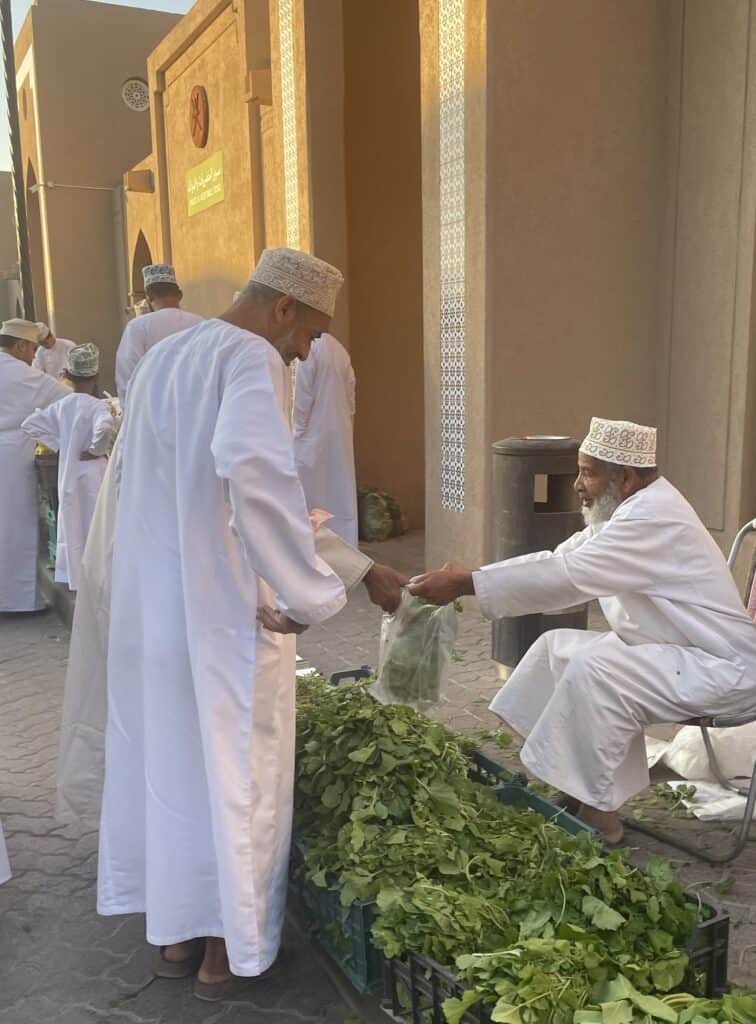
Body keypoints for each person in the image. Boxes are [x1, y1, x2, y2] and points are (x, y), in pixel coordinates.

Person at [95, 247, 406, 1001]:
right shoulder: (249, 357)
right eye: (308, 336)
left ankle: (172, 937)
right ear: (283, 309)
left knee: (170, 769)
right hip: (219, 611)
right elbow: (255, 476)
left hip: (153, 607)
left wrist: (358, 569)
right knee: (239, 776)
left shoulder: (166, 358)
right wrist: (306, 593)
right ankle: (224, 956)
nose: (305, 353)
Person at [409, 417, 756, 844]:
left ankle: (601, 818)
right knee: (556, 649)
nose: (577, 484)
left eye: (588, 472)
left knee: (598, 670)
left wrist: (466, 584)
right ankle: (575, 788)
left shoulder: (651, 518)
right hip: (674, 653)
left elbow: (568, 576)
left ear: (625, 477)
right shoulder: (623, 514)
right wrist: (475, 577)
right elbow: (558, 559)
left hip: (724, 668)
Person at [21, 344, 115, 592]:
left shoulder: (62, 405)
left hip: (69, 471)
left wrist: (61, 446)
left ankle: (77, 575)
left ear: (68, 376)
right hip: (93, 471)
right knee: (96, 521)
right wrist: (94, 450)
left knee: (73, 520)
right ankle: (100, 575)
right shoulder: (98, 407)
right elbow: (105, 427)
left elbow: (31, 423)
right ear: (95, 376)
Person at [0, 318, 69, 612]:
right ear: (20, 346)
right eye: (31, 350)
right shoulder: (21, 374)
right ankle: (16, 600)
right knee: (14, 523)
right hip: (12, 453)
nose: (33, 357)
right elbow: (68, 399)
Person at [293, 333, 358, 544]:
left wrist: (296, 433)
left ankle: (316, 556)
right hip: (339, 433)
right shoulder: (339, 349)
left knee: (309, 500)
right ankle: (347, 560)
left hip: (310, 437)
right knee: (340, 497)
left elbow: (301, 398)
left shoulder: (307, 346)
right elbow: (351, 397)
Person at [114, 264, 202, 401]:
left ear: (149, 297)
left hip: (153, 409)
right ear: (180, 295)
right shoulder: (200, 324)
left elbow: (128, 376)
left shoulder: (138, 327)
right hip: (195, 406)